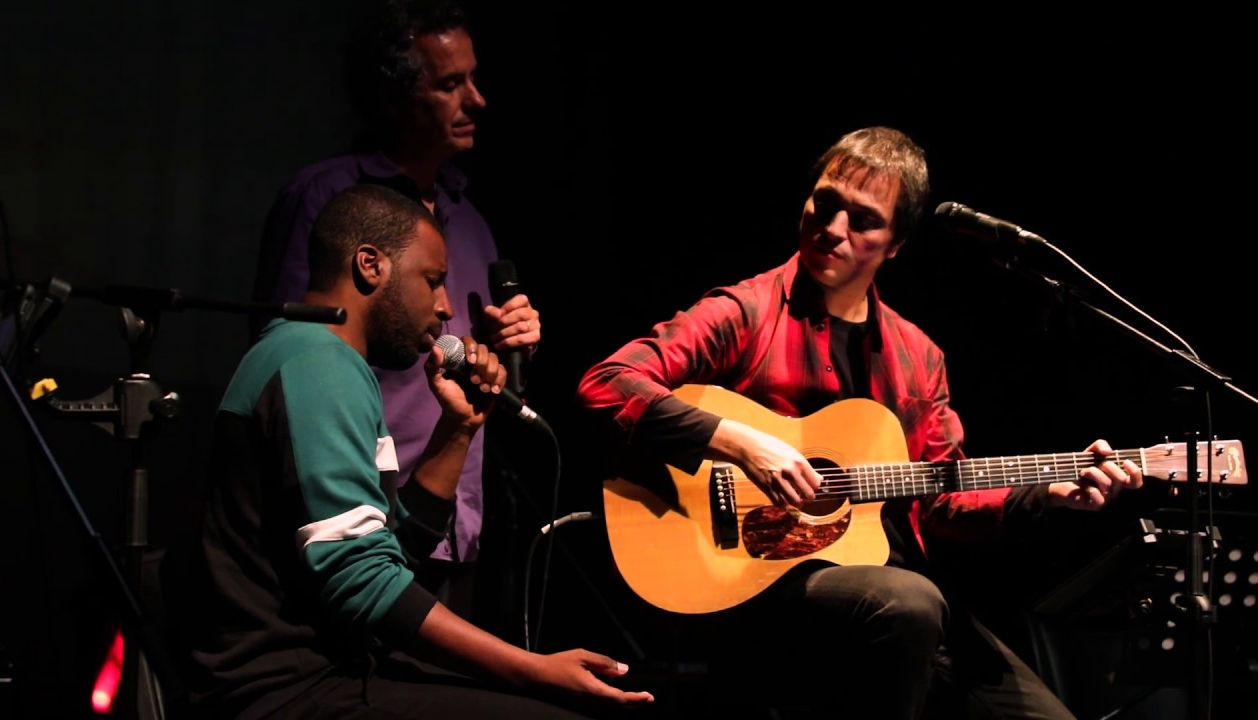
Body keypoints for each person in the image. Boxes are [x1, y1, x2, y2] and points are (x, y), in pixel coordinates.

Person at [574, 126, 1143, 719]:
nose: (834, 228)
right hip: (759, 582)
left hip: (895, 596)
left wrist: (1050, 492)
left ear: (896, 245)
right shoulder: (745, 312)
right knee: (910, 603)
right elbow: (604, 384)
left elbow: (943, 498)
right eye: (825, 203)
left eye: (863, 220)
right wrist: (738, 444)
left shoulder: (918, 357)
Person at [165, 184, 652, 719]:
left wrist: (458, 430)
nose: (446, 308)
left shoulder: (321, 357)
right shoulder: (315, 362)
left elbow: (396, 552)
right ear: (370, 265)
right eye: (433, 280)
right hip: (284, 689)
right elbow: (359, 578)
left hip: (332, 669)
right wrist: (534, 668)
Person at [250, 0, 535, 626]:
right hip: (361, 520)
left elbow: (463, 355)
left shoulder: (472, 220)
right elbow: (291, 353)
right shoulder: (331, 200)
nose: (477, 99)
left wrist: (508, 341)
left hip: (453, 518)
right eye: (450, 84)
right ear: (397, 99)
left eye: (474, 77)